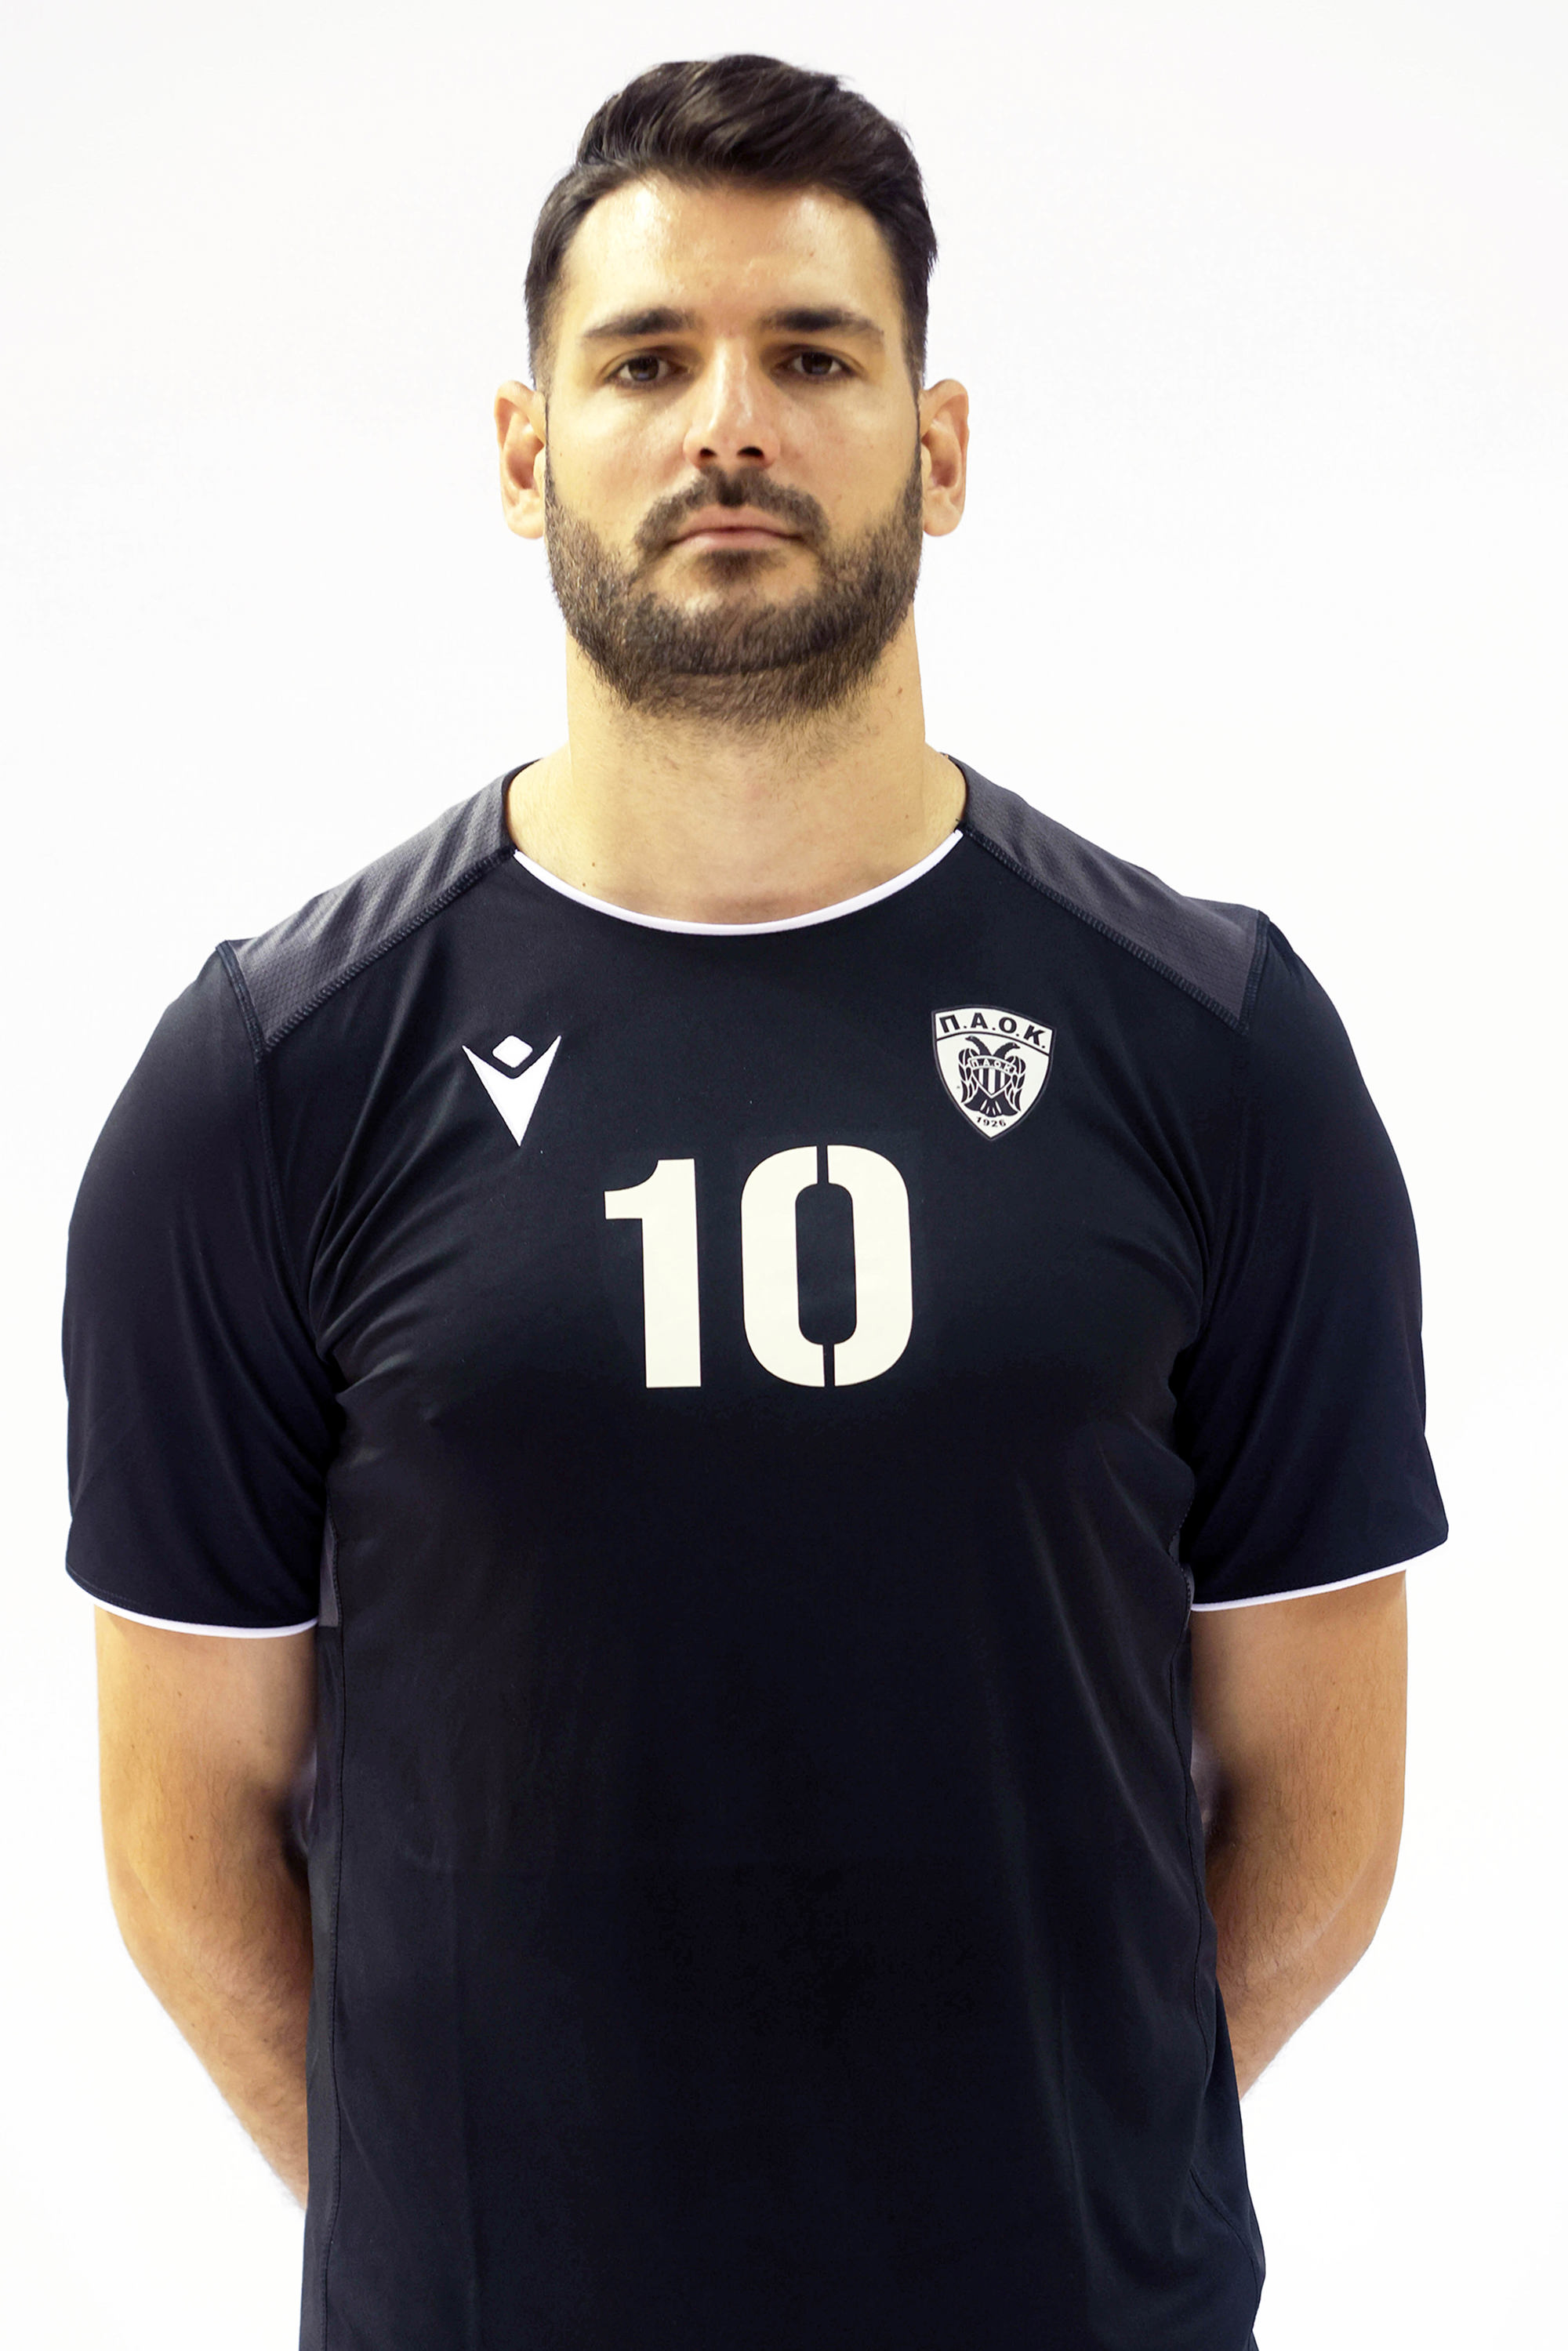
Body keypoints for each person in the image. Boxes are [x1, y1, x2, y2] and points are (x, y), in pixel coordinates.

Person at [64, 53, 1446, 2351]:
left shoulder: (1213, 1043)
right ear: (527, 454)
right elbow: (181, 1826)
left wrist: (1057, 2193)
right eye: (645, 363)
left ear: (940, 447)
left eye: (813, 356)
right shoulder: (271, 1083)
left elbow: (1324, 1798)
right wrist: (480, 2258)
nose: (730, 424)